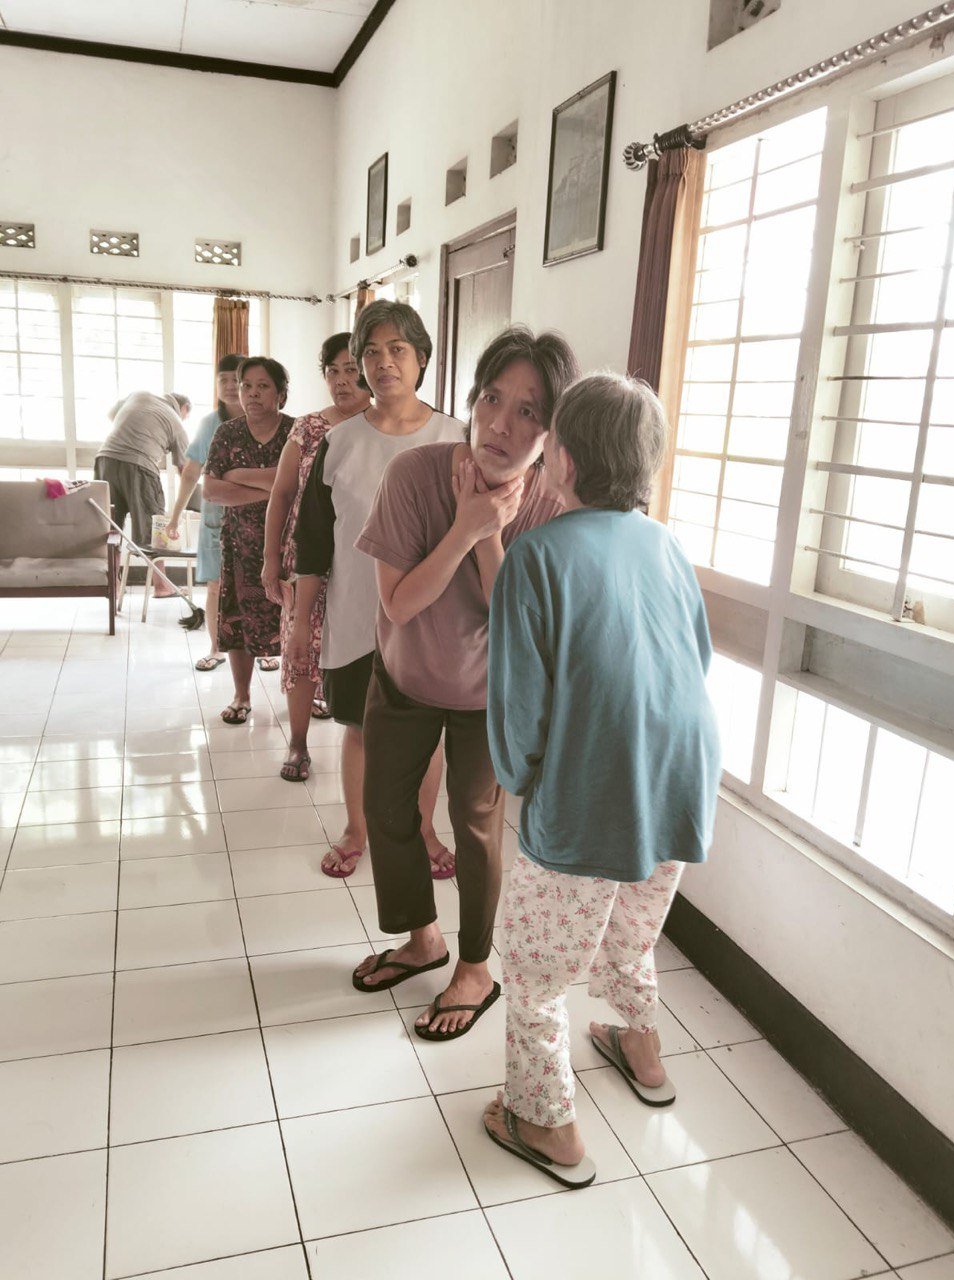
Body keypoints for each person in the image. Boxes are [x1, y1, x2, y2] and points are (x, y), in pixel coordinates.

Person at [481, 374, 722, 1188]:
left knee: (535, 974)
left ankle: (544, 1122)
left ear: (563, 457)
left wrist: (524, 784)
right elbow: (696, 657)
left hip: (592, 791)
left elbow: (518, 707)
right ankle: (641, 1051)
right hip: (679, 779)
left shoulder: (535, 555)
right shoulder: (664, 544)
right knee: (632, 928)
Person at [351, 326, 579, 1043]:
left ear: (551, 430)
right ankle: (423, 940)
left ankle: (476, 969)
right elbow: (399, 604)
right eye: (491, 399)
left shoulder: (549, 505)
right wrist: (463, 527)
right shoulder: (413, 476)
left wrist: (488, 535)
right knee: (387, 809)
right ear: (473, 400)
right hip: (404, 677)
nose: (500, 425)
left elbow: (517, 625)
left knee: (476, 828)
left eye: (528, 411)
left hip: (488, 695)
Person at [293, 301, 461, 877]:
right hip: (355, 615)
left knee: (426, 736)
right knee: (360, 729)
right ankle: (356, 829)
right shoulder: (338, 443)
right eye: (371, 352)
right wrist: (300, 624)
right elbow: (314, 544)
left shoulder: (455, 439)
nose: (383, 362)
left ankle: (424, 830)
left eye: (397, 349)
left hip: (431, 622)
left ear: (422, 359)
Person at [262, 333, 371, 781]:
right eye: (332, 371)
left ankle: (363, 741)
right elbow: (282, 493)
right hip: (305, 558)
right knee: (301, 645)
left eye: (350, 370)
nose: (341, 381)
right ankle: (298, 743)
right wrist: (271, 559)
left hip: (362, 561)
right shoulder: (307, 428)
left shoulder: (383, 427)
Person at [203, 357, 294, 724]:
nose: (252, 393)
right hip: (240, 547)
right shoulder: (227, 433)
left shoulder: (296, 432)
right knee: (238, 623)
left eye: (263, 386)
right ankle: (242, 695)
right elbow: (211, 490)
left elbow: (301, 484)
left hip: (291, 547)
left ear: (281, 394)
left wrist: (239, 475)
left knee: (298, 620)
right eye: (246, 386)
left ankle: (310, 694)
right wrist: (274, 486)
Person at [166, 353, 244, 670]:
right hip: (217, 519)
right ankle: (216, 647)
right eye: (223, 380)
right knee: (215, 585)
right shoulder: (209, 424)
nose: (229, 386)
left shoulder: (264, 420)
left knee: (259, 584)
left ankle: (265, 649)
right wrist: (174, 517)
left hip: (257, 518)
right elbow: (190, 473)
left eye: (236, 380)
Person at [94, 389, 191, 596]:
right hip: (139, 466)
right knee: (154, 529)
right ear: (184, 408)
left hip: (105, 459)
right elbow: (186, 471)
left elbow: (112, 415)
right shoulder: (176, 422)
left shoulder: (138, 395)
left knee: (111, 527)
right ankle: (162, 586)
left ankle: (113, 585)